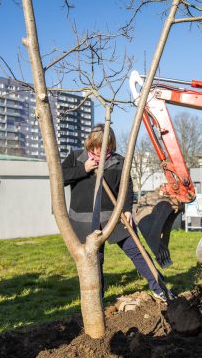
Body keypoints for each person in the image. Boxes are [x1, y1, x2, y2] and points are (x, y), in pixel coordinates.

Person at [62, 124, 171, 302]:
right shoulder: (76, 157)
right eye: (96, 146)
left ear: (111, 145)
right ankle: (97, 302)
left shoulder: (119, 161)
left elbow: (126, 188)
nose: (99, 150)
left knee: (136, 250)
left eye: (104, 146)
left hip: (112, 217)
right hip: (83, 220)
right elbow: (60, 177)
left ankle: (160, 289)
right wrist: (84, 169)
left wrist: (127, 209)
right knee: (95, 261)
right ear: (90, 143)